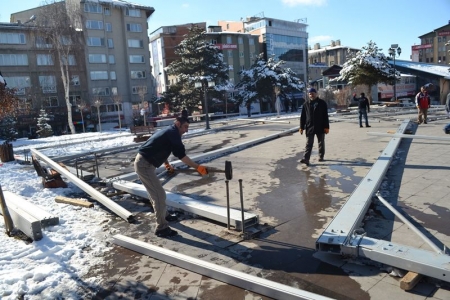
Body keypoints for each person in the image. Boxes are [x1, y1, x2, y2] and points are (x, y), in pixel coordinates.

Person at [134, 116, 209, 238]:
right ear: (178, 123)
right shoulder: (173, 133)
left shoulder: (170, 131)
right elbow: (181, 155)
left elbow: (161, 148)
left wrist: (167, 164)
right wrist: (197, 167)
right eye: (185, 127)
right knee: (159, 195)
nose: (186, 130)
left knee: (155, 194)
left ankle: (165, 215)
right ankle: (161, 228)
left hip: (145, 163)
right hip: (144, 165)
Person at [299, 88, 330, 166]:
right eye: (310, 94)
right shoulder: (305, 104)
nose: (311, 95)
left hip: (320, 126)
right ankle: (306, 159)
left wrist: (326, 127)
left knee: (321, 142)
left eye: (313, 93)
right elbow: (303, 117)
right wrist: (301, 127)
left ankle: (321, 155)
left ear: (316, 94)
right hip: (310, 127)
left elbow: (325, 116)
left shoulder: (322, 103)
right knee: (309, 143)